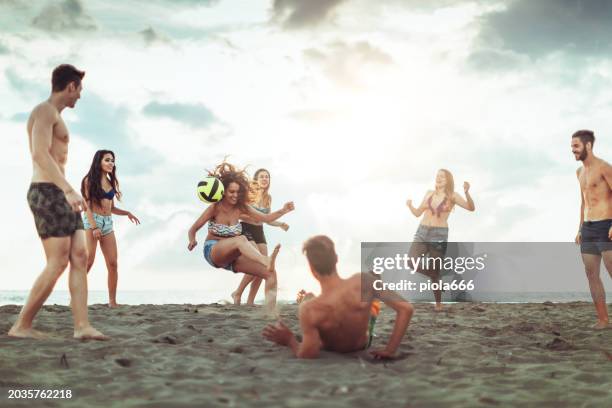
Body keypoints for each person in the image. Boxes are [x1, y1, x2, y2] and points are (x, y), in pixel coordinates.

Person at [8, 64, 107, 340]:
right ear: (71, 86)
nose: (80, 97)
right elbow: (40, 154)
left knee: (80, 256)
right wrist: (67, 190)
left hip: (61, 191)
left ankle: (82, 326)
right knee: (57, 261)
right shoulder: (44, 111)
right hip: (48, 192)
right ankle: (22, 325)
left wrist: (67, 190)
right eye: (79, 90)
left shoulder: (55, 116)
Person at [263, 235, 413, 359]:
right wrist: (390, 350)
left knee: (308, 301)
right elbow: (406, 308)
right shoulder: (363, 281)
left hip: (331, 346)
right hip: (362, 344)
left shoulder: (309, 310)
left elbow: (308, 353)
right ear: (336, 258)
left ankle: (308, 297)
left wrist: (289, 340)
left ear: (311, 269)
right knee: (370, 305)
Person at [187, 162, 294, 311]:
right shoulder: (214, 208)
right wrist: (192, 240)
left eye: (237, 192)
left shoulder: (241, 207)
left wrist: (283, 210)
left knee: (270, 273)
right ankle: (265, 260)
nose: (235, 195)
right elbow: (193, 229)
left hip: (232, 259)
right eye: (231, 192)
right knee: (241, 239)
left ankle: (270, 314)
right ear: (223, 191)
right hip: (213, 251)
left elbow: (266, 218)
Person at [406, 169, 475, 311]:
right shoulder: (428, 193)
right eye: (437, 176)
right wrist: (410, 206)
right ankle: (435, 277)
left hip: (439, 235)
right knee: (411, 262)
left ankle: (438, 304)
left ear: (448, 180)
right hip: (422, 232)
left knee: (435, 270)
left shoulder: (453, 196)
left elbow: (471, 208)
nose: (438, 178)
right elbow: (418, 213)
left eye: (442, 176)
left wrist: (467, 193)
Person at [81, 150, 140, 308]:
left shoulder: (110, 181)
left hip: (107, 223)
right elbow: (86, 206)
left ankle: (112, 302)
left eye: (112, 161)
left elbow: (111, 208)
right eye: (107, 160)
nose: (111, 163)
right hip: (91, 221)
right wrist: (94, 227)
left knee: (113, 263)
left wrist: (126, 212)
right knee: (88, 262)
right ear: (98, 161)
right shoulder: (88, 181)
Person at [231, 168, 290, 305]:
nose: (265, 179)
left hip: (259, 231)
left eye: (267, 177)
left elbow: (267, 219)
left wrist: (280, 223)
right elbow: (238, 214)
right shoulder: (249, 195)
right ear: (256, 180)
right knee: (257, 263)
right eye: (262, 177)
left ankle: (250, 301)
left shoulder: (268, 198)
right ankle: (238, 293)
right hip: (246, 228)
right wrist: (254, 216)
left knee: (264, 268)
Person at [572, 130, 611, 329]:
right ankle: (603, 320)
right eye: (572, 147)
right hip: (588, 228)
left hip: (606, 225)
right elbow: (583, 202)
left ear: (588, 146)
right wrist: (580, 228)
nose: (573, 150)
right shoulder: (579, 172)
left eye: (576, 146)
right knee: (591, 274)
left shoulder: (604, 167)